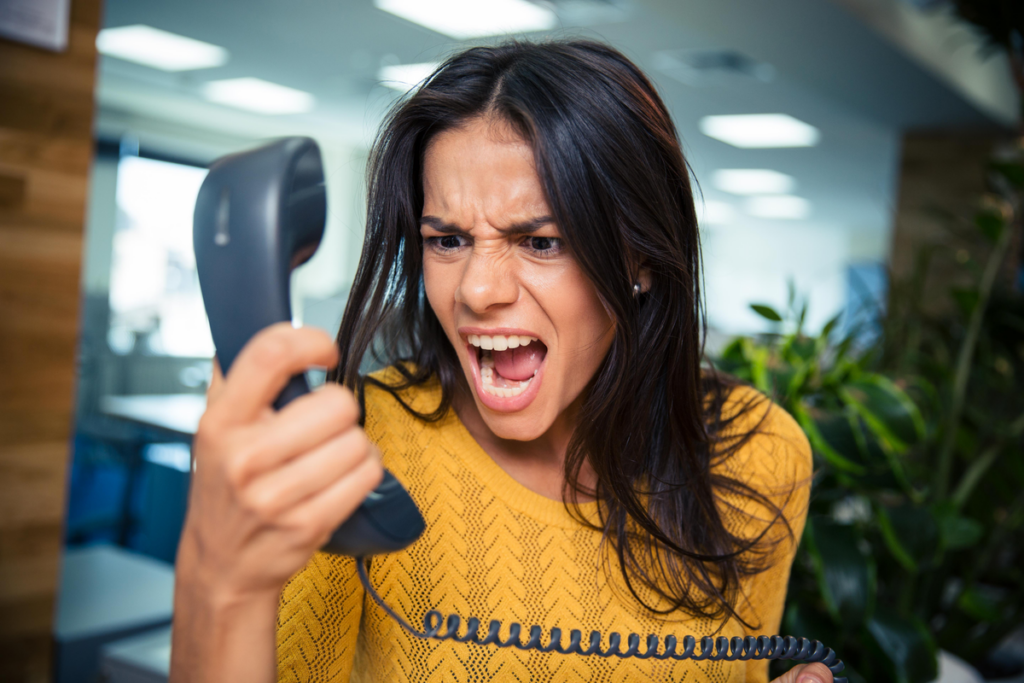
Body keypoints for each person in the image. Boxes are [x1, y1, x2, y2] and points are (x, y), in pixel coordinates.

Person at [170, 40, 830, 683]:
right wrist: (220, 580)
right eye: (448, 239)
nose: (477, 291)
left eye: (541, 241)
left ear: (642, 259)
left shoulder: (760, 456)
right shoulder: (353, 453)